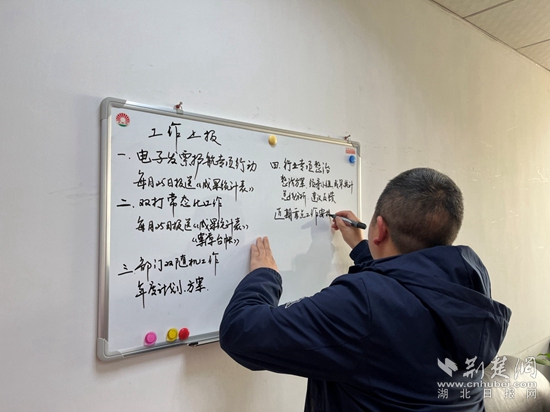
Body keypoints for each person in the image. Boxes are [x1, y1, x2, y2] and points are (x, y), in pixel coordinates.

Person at [219, 167, 512, 411]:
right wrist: (364, 249)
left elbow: (240, 333)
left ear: (379, 228)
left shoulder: (362, 304)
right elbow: (406, 293)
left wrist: (265, 276)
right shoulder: (467, 283)